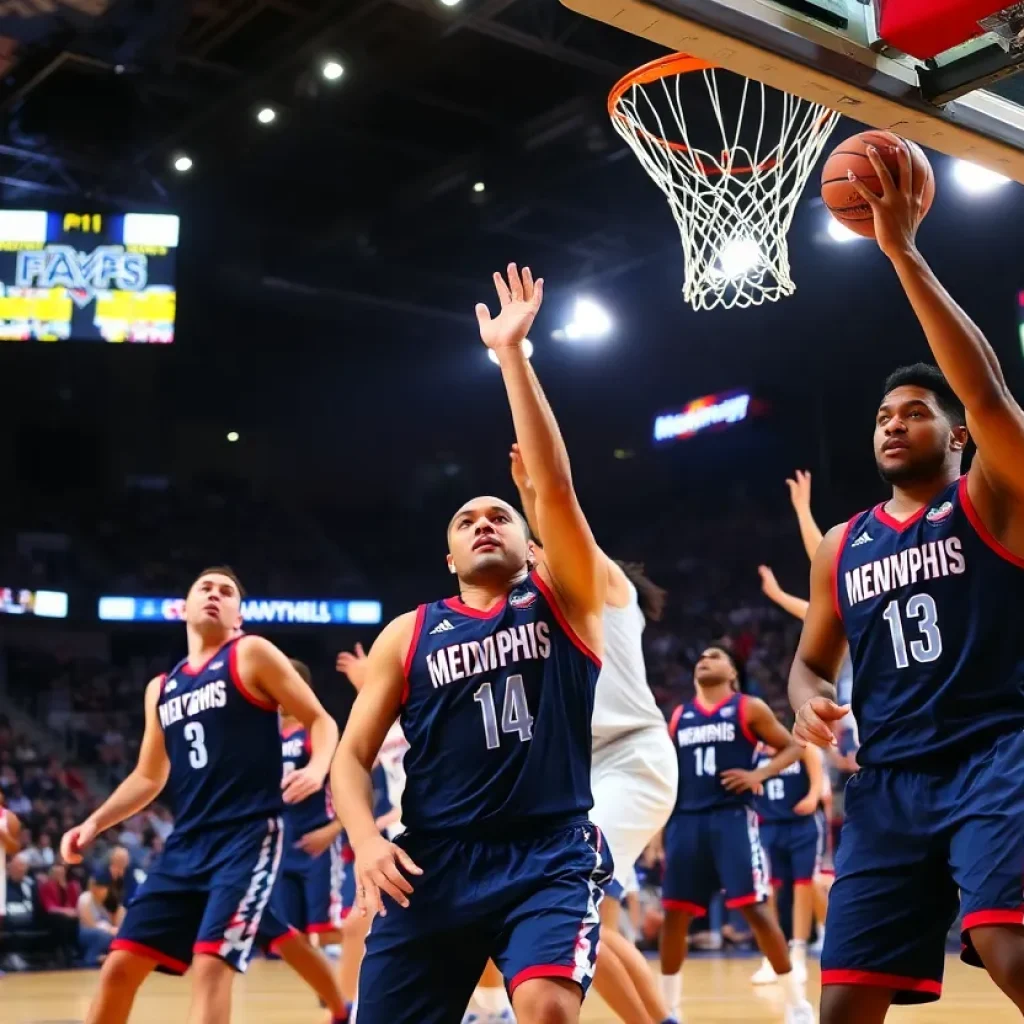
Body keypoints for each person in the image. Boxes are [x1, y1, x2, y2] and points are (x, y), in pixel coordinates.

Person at [331, 264, 612, 1024]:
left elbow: (555, 490)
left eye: (498, 514)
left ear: (530, 543)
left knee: (548, 1006)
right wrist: (365, 839)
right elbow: (351, 758)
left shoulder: (566, 599)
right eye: (465, 521)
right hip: (433, 860)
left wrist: (513, 357)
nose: (484, 521)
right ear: (449, 558)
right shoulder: (410, 632)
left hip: (548, 852)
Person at [790, 140, 1024, 1022]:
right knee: (845, 1001)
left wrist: (903, 253)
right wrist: (809, 694)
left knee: (1010, 946)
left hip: (1000, 752)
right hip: (888, 781)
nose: (894, 425)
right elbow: (811, 662)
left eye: (917, 413)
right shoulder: (842, 543)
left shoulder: (995, 497)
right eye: (885, 415)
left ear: (957, 435)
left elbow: (991, 394)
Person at [60, 567, 344, 1024]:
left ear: (238, 616)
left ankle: (339, 1006)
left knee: (212, 965)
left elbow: (322, 720)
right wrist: (93, 823)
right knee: (118, 967)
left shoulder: (250, 654)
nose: (214, 595)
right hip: (185, 846)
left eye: (226, 591)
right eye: (204, 589)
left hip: (247, 838)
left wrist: (316, 766)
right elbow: (148, 778)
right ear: (185, 609)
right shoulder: (162, 687)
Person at [503, 443, 679, 1024]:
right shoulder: (545, 616)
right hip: (587, 772)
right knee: (588, 925)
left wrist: (533, 493)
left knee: (564, 895)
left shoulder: (609, 593)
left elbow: (565, 530)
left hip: (634, 757)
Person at [659, 646, 814, 1024]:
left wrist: (760, 774)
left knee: (756, 909)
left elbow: (794, 746)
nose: (705, 657)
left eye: (716, 655)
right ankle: (668, 1010)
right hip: (685, 822)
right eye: (702, 656)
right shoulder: (680, 716)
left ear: (732, 673)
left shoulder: (748, 707)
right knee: (674, 918)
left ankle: (797, 1004)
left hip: (730, 819)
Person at [334, 644, 411, 1008]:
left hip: (439, 831)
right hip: (402, 838)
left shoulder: (424, 709)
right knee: (355, 927)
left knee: (477, 933)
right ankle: (344, 1011)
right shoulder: (380, 723)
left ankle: (493, 1008)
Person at [275, 659, 345, 942]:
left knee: (327, 930)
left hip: (319, 843)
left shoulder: (317, 733)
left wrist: (334, 829)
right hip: (281, 846)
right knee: (289, 937)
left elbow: (351, 784)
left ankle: (347, 985)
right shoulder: (267, 737)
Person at [749, 736, 825, 985]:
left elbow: (818, 784)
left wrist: (812, 797)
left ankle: (799, 953)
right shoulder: (755, 752)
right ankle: (772, 957)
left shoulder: (802, 746)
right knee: (768, 892)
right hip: (767, 827)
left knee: (803, 887)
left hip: (801, 826)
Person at [78, 867, 123, 966]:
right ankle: (91, 958)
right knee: (103, 936)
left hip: (102, 932)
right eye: (100, 888)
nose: (102, 891)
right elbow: (89, 924)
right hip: (85, 933)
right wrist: (108, 929)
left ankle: (106, 957)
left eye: (104, 889)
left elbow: (114, 921)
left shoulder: (103, 904)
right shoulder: (85, 899)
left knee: (118, 936)